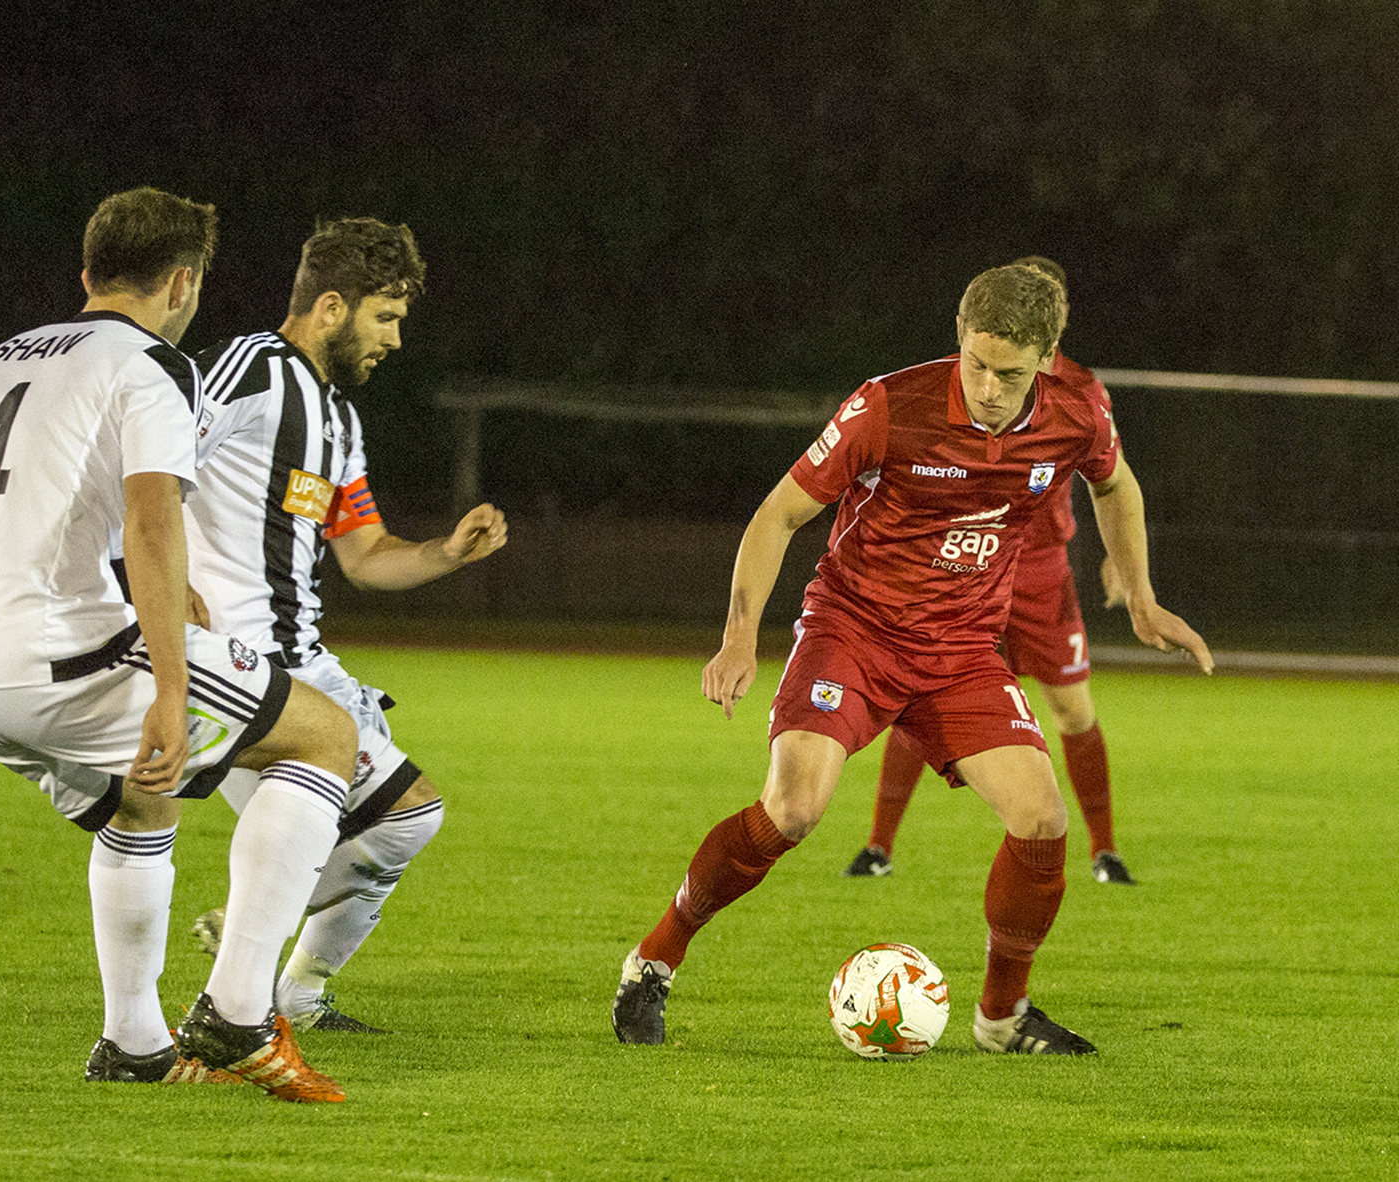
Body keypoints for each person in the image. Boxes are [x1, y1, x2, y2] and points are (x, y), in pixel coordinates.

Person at [610, 264, 1212, 1055]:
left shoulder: (1077, 414)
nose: (990, 387)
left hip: (961, 650)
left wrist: (1139, 595)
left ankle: (1002, 1019)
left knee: (1041, 821)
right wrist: (737, 636)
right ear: (959, 340)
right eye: (977, 364)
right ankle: (654, 961)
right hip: (852, 633)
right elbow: (778, 513)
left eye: (1011, 373)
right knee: (793, 810)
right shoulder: (890, 404)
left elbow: (1116, 487)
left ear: (1049, 357)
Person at [0, 187, 357, 1102]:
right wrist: (173, 691)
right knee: (323, 738)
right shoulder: (152, 364)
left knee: (141, 806)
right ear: (182, 282)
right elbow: (150, 520)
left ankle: (133, 1042)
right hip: (60, 656)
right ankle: (240, 1013)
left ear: (88, 273)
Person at [179, 217, 507, 1032]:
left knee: (406, 819)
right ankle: (257, 961)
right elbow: (152, 461)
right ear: (331, 306)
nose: (395, 340)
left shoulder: (337, 422)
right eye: (385, 317)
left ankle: (288, 988)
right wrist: (160, 578)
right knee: (398, 817)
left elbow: (364, 553)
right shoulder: (249, 369)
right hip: (236, 662)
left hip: (304, 661)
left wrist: (445, 553)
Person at [845, 257, 1136, 886]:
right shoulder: (970, 381)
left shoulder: (1080, 395)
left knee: (1074, 710)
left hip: (1036, 572)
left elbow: (1111, 481)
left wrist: (1127, 566)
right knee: (925, 692)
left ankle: (1105, 851)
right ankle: (876, 847)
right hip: (958, 568)